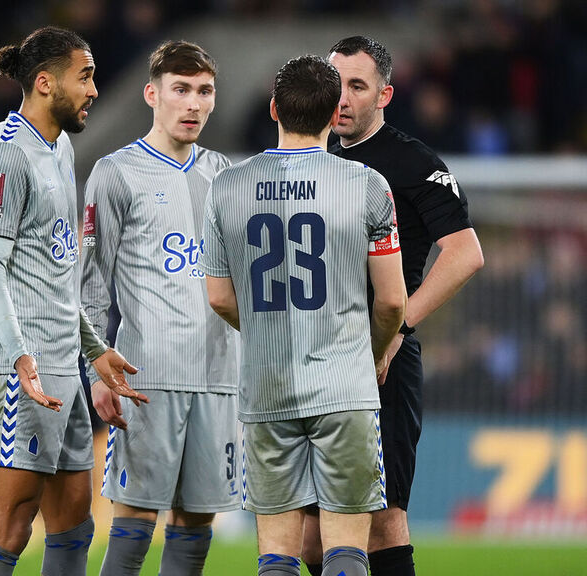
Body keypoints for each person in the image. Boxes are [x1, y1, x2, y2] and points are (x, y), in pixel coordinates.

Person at [201, 54, 408, 576]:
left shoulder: (225, 186)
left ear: (273, 109)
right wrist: (376, 351)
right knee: (345, 549)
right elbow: (391, 301)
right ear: (333, 111)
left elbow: (220, 297)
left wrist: (268, 329)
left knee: (277, 551)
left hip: (267, 387)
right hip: (344, 385)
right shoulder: (367, 185)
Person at [0, 26, 148, 576]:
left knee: (73, 523)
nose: (94, 89)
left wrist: (91, 347)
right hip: (21, 371)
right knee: (11, 525)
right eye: (84, 76)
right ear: (45, 84)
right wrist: (20, 356)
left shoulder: (61, 146)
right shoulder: (3, 156)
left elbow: (58, 269)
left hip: (62, 367)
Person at [300, 36, 485, 576]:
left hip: (381, 358)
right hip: (313, 355)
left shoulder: (411, 161)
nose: (342, 98)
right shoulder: (310, 154)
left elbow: (465, 253)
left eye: (357, 86)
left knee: (381, 519)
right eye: (335, 85)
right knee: (312, 540)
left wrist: (398, 327)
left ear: (385, 94)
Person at [80, 40, 240, 576]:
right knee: (133, 523)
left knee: (196, 526)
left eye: (204, 91)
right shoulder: (116, 173)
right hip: (146, 377)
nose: (193, 103)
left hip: (220, 376)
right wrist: (97, 364)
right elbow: (90, 279)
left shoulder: (227, 175)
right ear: (153, 94)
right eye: (181, 90)